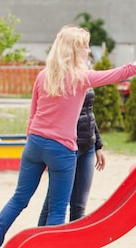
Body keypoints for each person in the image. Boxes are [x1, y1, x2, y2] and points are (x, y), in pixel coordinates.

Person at [0, 25, 136, 248]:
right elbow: (123, 72)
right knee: (58, 209)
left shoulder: (43, 76)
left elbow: (31, 116)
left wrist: (32, 145)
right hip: (61, 150)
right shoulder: (80, 78)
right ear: (73, 50)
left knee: (18, 199)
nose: (88, 51)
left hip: (34, 144)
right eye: (85, 47)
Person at [37, 87, 104, 224]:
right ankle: (40, 240)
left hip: (88, 146)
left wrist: (98, 144)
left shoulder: (86, 72)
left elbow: (88, 111)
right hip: (67, 146)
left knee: (79, 206)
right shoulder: (60, 75)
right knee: (53, 203)